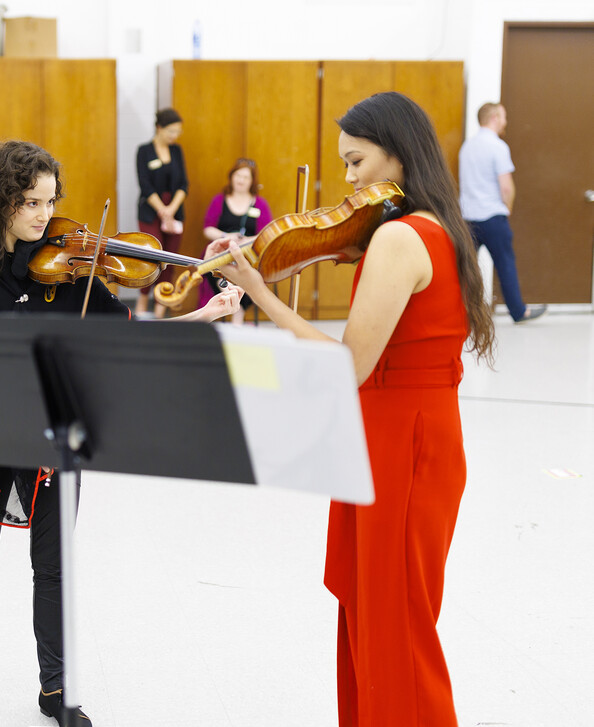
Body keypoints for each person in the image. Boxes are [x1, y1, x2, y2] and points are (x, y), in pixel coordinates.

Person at [208, 92, 496, 726]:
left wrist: (263, 296)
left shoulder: (399, 236)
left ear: (397, 154)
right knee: (381, 623)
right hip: (409, 437)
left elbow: (348, 366)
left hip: (402, 448)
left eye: (356, 161)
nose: (348, 181)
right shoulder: (437, 227)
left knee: (395, 634)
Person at [0, 140, 241, 726]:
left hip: (55, 440)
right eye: (30, 202)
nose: (45, 216)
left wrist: (206, 314)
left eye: (50, 201)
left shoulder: (72, 270)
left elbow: (128, 337)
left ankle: (56, 688)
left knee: (53, 566)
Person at [459, 102, 546, 323]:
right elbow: (506, 187)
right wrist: (506, 210)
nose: (506, 122)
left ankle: (461, 312)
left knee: (466, 268)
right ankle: (518, 312)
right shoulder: (497, 147)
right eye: (504, 117)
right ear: (495, 117)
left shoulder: (467, 147)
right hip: (493, 217)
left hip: (467, 218)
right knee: (505, 264)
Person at [196, 158, 274, 324]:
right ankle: (228, 302)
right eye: (238, 175)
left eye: (246, 177)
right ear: (231, 176)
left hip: (247, 253)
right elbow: (207, 228)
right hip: (221, 250)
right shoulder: (219, 200)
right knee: (214, 265)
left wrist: (246, 241)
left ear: (252, 181)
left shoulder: (260, 203)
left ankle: (237, 316)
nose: (241, 180)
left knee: (251, 272)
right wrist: (226, 237)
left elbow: (267, 233)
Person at [134, 108, 188, 319]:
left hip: (174, 211)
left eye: (177, 132)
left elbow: (184, 184)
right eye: (171, 131)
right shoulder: (144, 151)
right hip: (151, 210)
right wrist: (162, 210)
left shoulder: (177, 151)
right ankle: (141, 304)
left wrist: (171, 210)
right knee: (151, 256)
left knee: (170, 260)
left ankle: (160, 310)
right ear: (159, 128)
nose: (174, 136)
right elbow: (145, 185)